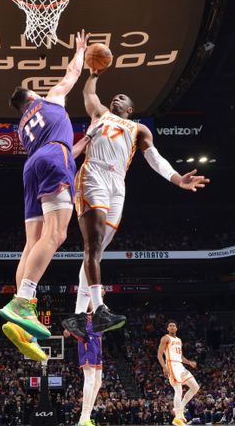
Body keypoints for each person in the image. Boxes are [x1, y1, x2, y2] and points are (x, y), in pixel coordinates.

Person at [62, 72, 209, 341]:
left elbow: (155, 159)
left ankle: (79, 315)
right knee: (92, 246)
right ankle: (99, 309)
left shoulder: (139, 130)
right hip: (93, 173)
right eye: (114, 96)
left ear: (130, 109)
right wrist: (93, 74)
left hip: (118, 184)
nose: (116, 97)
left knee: (96, 252)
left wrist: (177, 179)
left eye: (122, 97)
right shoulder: (100, 114)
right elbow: (88, 94)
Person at [0, 31, 89, 344]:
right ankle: (24, 301)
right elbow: (73, 73)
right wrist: (80, 50)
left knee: (32, 242)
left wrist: (86, 141)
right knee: (57, 234)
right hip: (54, 158)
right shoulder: (50, 98)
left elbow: (58, 150)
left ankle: (21, 312)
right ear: (33, 96)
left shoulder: (23, 126)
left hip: (33, 166)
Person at [63, 302, 104, 426]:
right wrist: (69, 329)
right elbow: (72, 322)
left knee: (98, 382)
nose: (101, 290)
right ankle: (83, 419)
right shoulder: (84, 308)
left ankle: (86, 417)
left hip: (98, 344)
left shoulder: (101, 309)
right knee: (90, 380)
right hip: (88, 342)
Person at [157, 321, 200, 426]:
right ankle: (177, 418)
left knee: (195, 387)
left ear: (176, 328)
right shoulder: (165, 338)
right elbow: (159, 354)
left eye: (174, 326)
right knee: (178, 389)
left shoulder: (179, 340)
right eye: (170, 326)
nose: (172, 327)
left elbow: (180, 356)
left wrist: (189, 362)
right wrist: (164, 367)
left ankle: (180, 409)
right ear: (167, 328)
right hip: (171, 364)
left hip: (180, 365)